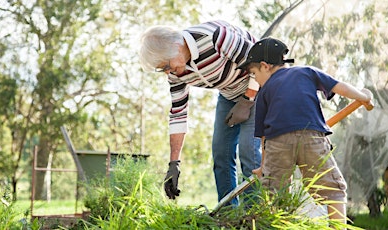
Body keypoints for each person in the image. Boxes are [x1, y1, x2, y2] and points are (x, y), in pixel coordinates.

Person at [237, 37, 373, 224]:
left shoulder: (264, 92)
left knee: (276, 192)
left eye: (253, 74)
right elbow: (339, 87)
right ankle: (338, 227)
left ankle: (280, 226)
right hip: (312, 138)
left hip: (277, 143)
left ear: (264, 66)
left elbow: (264, 136)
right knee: (333, 189)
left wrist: (264, 166)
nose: (255, 79)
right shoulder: (307, 72)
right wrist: (363, 95)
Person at [139, 20, 262, 207]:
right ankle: (228, 215)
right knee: (221, 152)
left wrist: (247, 100)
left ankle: (255, 214)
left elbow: (259, 63)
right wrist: (174, 164)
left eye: (166, 65)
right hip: (228, 94)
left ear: (176, 46)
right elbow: (178, 114)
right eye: (162, 69)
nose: (168, 72)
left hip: (259, 89)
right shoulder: (176, 73)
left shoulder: (215, 37)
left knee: (248, 150)